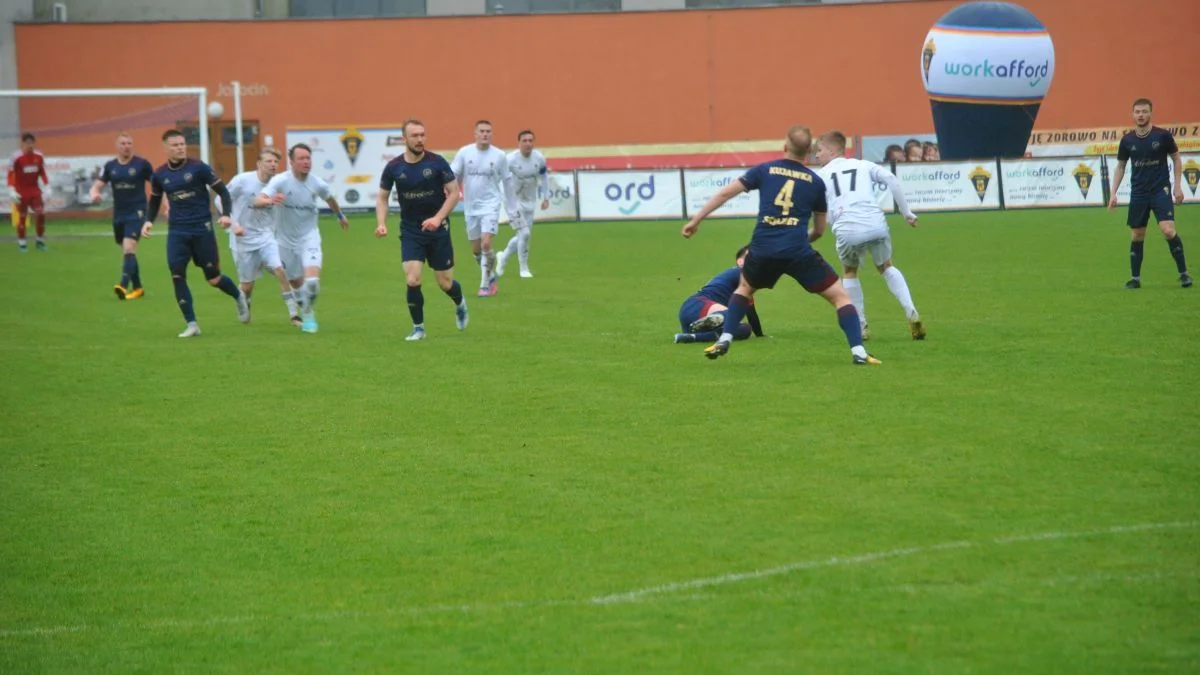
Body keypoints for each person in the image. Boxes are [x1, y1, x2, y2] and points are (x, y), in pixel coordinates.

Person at [682, 125, 879, 365]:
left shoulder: (765, 170)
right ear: (808, 152)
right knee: (841, 298)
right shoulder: (816, 182)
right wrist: (797, 239)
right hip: (798, 250)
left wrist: (696, 220)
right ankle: (859, 352)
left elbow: (725, 194)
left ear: (784, 147)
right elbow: (819, 230)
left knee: (744, 290)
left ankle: (724, 338)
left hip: (763, 248)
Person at [813, 130, 925, 340]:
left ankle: (861, 325)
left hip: (847, 228)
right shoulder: (863, 164)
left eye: (819, 150)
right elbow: (891, 178)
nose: (816, 156)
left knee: (849, 272)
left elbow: (817, 207)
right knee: (886, 266)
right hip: (875, 224)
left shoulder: (821, 175)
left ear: (832, 150)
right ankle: (912, 313)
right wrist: (906, 212)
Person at [141, 128, 249, 337]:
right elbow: (154, 200)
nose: (180, 148)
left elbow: (223, 192)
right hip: (177, 231)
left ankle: (238, 296)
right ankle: (192, 324)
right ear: (166, 148)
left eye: (182, 144)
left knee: (213, 279)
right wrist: (148, 221)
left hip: (202, 229)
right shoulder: (160, 174)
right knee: (177, 275)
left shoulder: (198, 168)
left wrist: (226, 215)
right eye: (175, 145)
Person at [375, 118, 468, 341]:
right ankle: (419, 328)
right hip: (411, 231)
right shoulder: (394, 167)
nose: (420, 139)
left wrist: (437, 218)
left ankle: (460, 302)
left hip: (438, 230)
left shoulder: (437, 163)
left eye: (422, 135)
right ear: (404, 139)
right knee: (413, 279)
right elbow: (382, 197)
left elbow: (454, 193)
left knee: (445, 283)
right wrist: (381, 223)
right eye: (415, 136)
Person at [254, 143, 350, 333]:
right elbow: (257, 200)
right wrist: (270, 200)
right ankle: (306, 311)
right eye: (301, 158)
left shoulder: (317, 183)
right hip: (285, 241)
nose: (306, 162)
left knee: (312, 283)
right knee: (296, 283)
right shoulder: (280, 181)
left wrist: (340, 216)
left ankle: (307, 312)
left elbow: (330, 199)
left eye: (308, 158)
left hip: (309, 237)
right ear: (291, 162)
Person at [1108, 98, 1191, 289]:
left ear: (1150, 113)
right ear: (1132, 114)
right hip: (1138, 193)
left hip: (1160, 190)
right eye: (1137, 112)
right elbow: (1121, 166)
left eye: (1144, 111)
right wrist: (1113, 193)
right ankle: (1135, 279)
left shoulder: (1162, 136)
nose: (1141, 115)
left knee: (1168, 230)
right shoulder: (1127, 140)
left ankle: (1184, 274)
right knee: (1137, 235)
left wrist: (1177, 187)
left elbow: (1176, 159)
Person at [219, 147, 299, 324]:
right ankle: (244, 303)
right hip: (242, 238)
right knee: (247, 285)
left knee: (280, 269)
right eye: (269, 161)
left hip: (266, 236)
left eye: (276, 162)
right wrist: (233, 224)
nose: (273, 165)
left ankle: (294, 314)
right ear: (259, 164)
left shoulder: (280, 184)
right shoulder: (243, 180)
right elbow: (220, 199)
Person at [450, 120, 520, 296]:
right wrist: (455, 192)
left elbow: (507, 181)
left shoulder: (499, 156)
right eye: (482, 131)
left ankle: (484, 286)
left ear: (492, 134)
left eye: (488, 131)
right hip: (471, 207)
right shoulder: (464, 153)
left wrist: (512, 209)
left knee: (486, 243)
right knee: (476, 250)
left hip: (491, 205)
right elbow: (454, 174)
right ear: (475, 133)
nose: (485, 134)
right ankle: (490, 276)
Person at [90, 132, 155, 299]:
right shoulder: (110, 166)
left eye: (129, 143)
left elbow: (157, 186)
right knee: (128, 252)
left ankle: (123, 285)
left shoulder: (142, 164)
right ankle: (138, 288)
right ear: (117, 146)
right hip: (119, 214)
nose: (126, 146)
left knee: (128, 248)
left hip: (137, 212)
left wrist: (166, 205)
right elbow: (98, 184)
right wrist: (94, 192)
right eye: (123, 143)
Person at [674, 245, 764, 344]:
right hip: (698, 303)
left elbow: (751, 313)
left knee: (744, 329)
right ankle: (718, 317)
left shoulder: (742, 283)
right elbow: (749, 311)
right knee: (733, 316)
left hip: (689, 316)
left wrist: (760, 335)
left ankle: (692, 337)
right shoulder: (739, 272)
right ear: (740, 262)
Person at [497, 129, 549, 279]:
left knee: (522, 235)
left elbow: (544, 177)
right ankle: (523, 268)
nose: (528, 144)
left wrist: (546, 197)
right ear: (518, 143)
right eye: (524, 141)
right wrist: (502, 196)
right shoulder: (510, 160)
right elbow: (500, 178)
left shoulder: (539, 158)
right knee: (525, 234)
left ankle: (504, 256)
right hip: (513, 201)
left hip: (529, 201)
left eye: (530, 141)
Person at [7, 132, 49, 252]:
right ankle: (22, 243)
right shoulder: (16, 157)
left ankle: (40, 241)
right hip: (21, 191)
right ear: (23, 143)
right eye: (27, 143)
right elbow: (10, 173)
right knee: (22, 217)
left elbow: (42, 172)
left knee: (40, 215)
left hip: (35, 191)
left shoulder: (39, 156)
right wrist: (11, 189)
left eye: (32, 143)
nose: (30, 145)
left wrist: (47, 186)